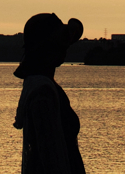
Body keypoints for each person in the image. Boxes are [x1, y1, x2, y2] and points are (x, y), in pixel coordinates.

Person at [13, 13, 86, 174]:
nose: (65, 49)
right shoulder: (42, 92)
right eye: (60, 44)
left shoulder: (40, 86)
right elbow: (50, 154)